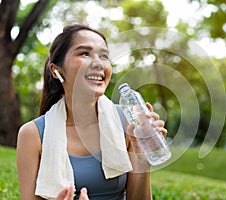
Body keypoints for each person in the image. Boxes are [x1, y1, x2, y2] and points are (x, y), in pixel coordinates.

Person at [16, 24, 167, 200]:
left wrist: (142, 157)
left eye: (104, 56)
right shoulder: (32, 134)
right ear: (56, 70)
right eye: (85, 53)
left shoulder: (128, 121)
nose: (98, 63)